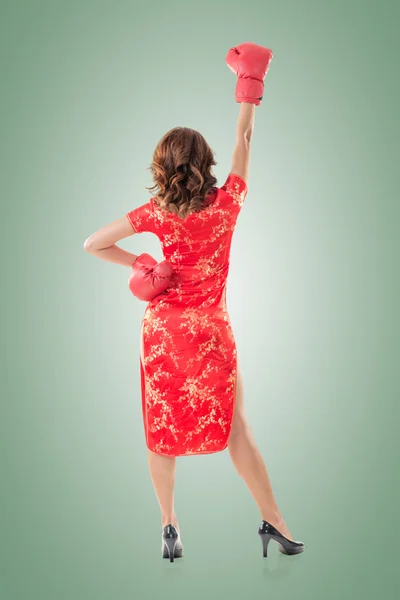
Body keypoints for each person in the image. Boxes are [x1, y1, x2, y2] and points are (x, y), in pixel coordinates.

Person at [84, 43, 304, 562]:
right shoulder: (228, 204)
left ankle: (169, 525)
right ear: (204, 164)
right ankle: (275, 522)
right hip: (210, 330)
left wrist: (143, 265)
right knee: (235, 427)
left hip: (163, 331)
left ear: (162, 168)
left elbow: (92, 243)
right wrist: (249, 83)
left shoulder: (156, 212)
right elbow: (245, 137)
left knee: (161, 428)